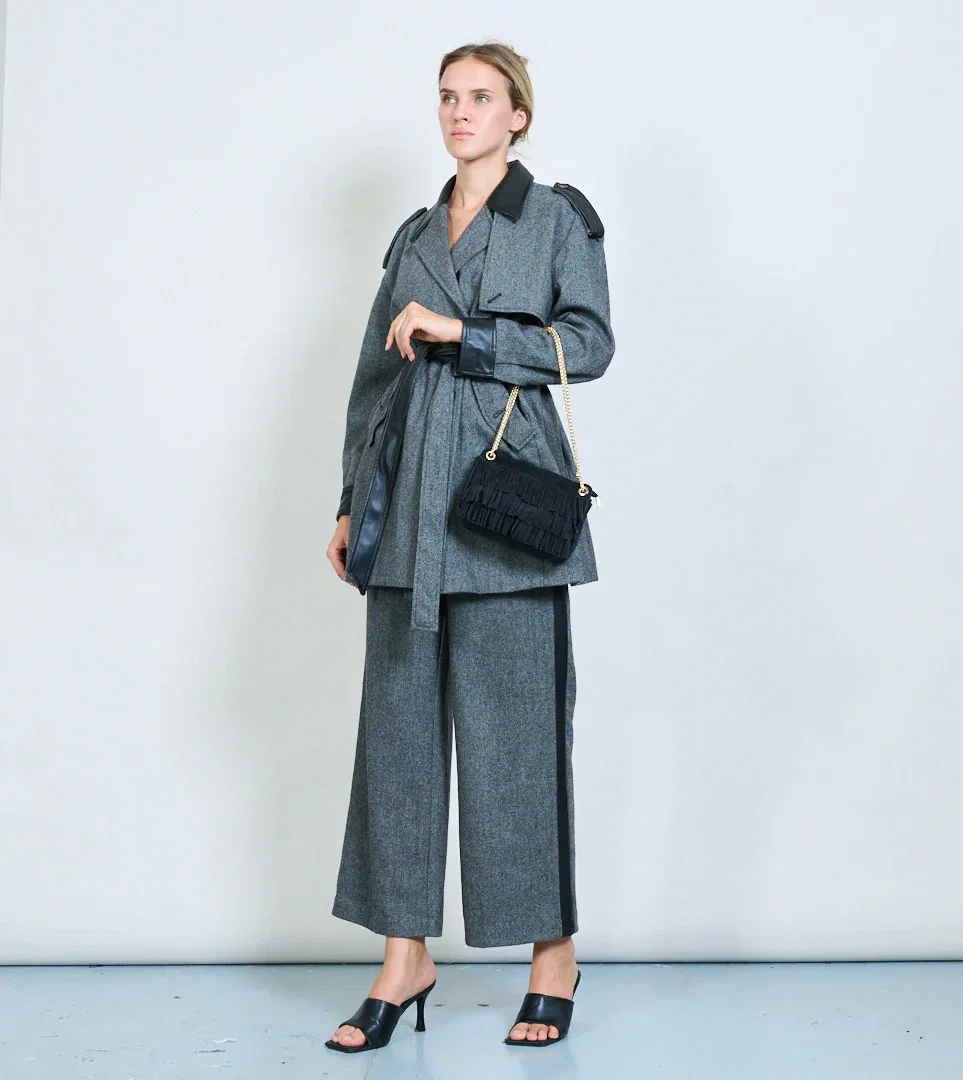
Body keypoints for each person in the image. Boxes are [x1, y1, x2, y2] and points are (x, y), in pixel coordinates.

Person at [323, 40, 614, 1053]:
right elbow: (373, 379)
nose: (460, 112)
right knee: (398, 743)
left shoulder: (558, 219)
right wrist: (351, 504)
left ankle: (552, 958)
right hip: (407, 515)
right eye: (448, 97)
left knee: (518, 746)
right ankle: (404, 958)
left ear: (517, 115)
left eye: (481, 98)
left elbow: (591, 344)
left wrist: (466, 335)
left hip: (504, 511)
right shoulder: (413, 234)